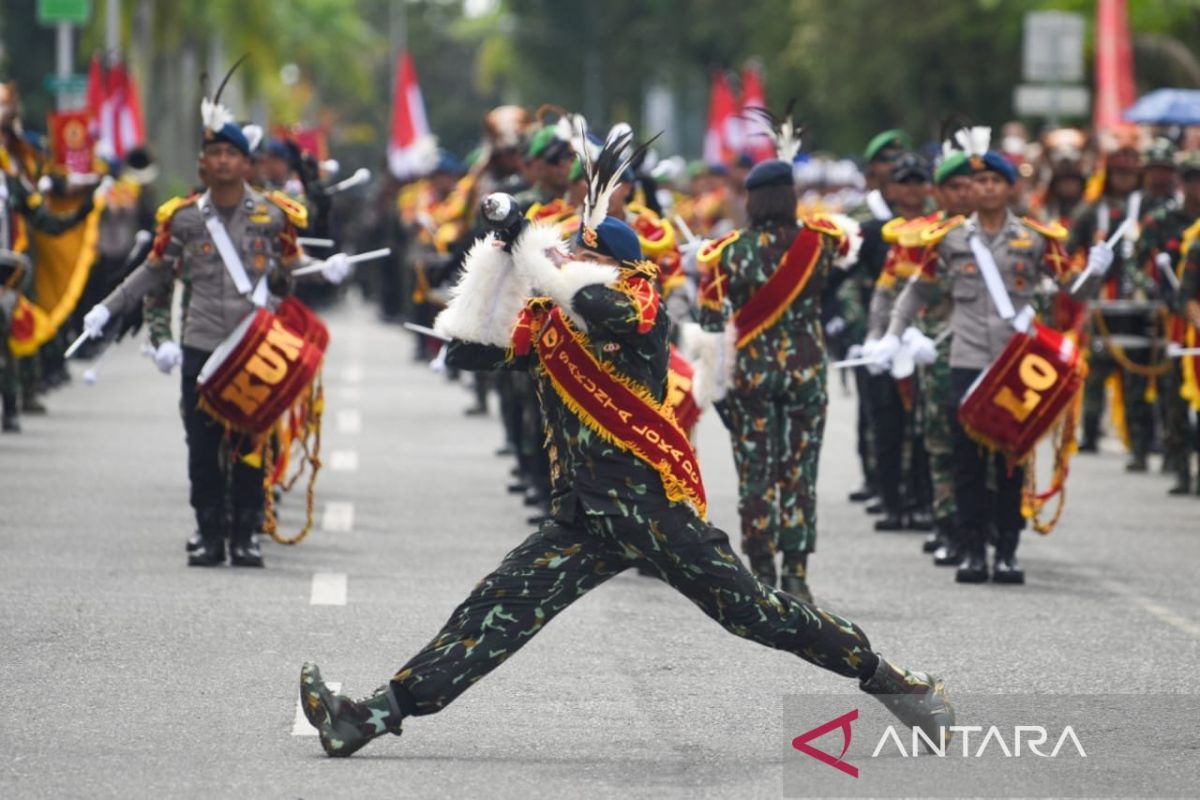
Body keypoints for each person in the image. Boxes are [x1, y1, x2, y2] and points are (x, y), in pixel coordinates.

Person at [299, 130, 953, 758]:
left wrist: (539, 253)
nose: (574, 264)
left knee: (757, 614)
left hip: (650, 507)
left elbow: (607, 309)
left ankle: (894, 681)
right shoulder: (551, 320)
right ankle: (368, 716)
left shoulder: (639, 300)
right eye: (572, 255)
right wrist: (498, 257)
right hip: (584, 512)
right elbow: (470, 352)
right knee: (492, 611)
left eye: (588, 257)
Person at [79, 64, 351, 567]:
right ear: (203, 164)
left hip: (254, 344)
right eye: (215, 154)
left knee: (251, 442)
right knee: (202, 448)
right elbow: (153, 273)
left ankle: (246, 532)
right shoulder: (181, 218)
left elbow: (293, 264)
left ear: (245, 164)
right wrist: (107, 308)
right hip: (201, 344)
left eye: (232, 154)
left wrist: (324, 269)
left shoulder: (272, 216)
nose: (223, 161)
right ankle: (208, 532)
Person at [878, 130, 1104, 584]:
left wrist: (1095, 272)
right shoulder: (949, 239)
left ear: (1009, 188)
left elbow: (1072, 290)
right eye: (978, 183)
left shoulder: (1037, 240)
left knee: (1010, 457)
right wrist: (892, 335)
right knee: (965, 457)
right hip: (966, 358)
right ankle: (972, 548)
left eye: (994, 182)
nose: (985, 189)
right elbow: (916, 290)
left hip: (1016, 364)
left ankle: (1006, 548)